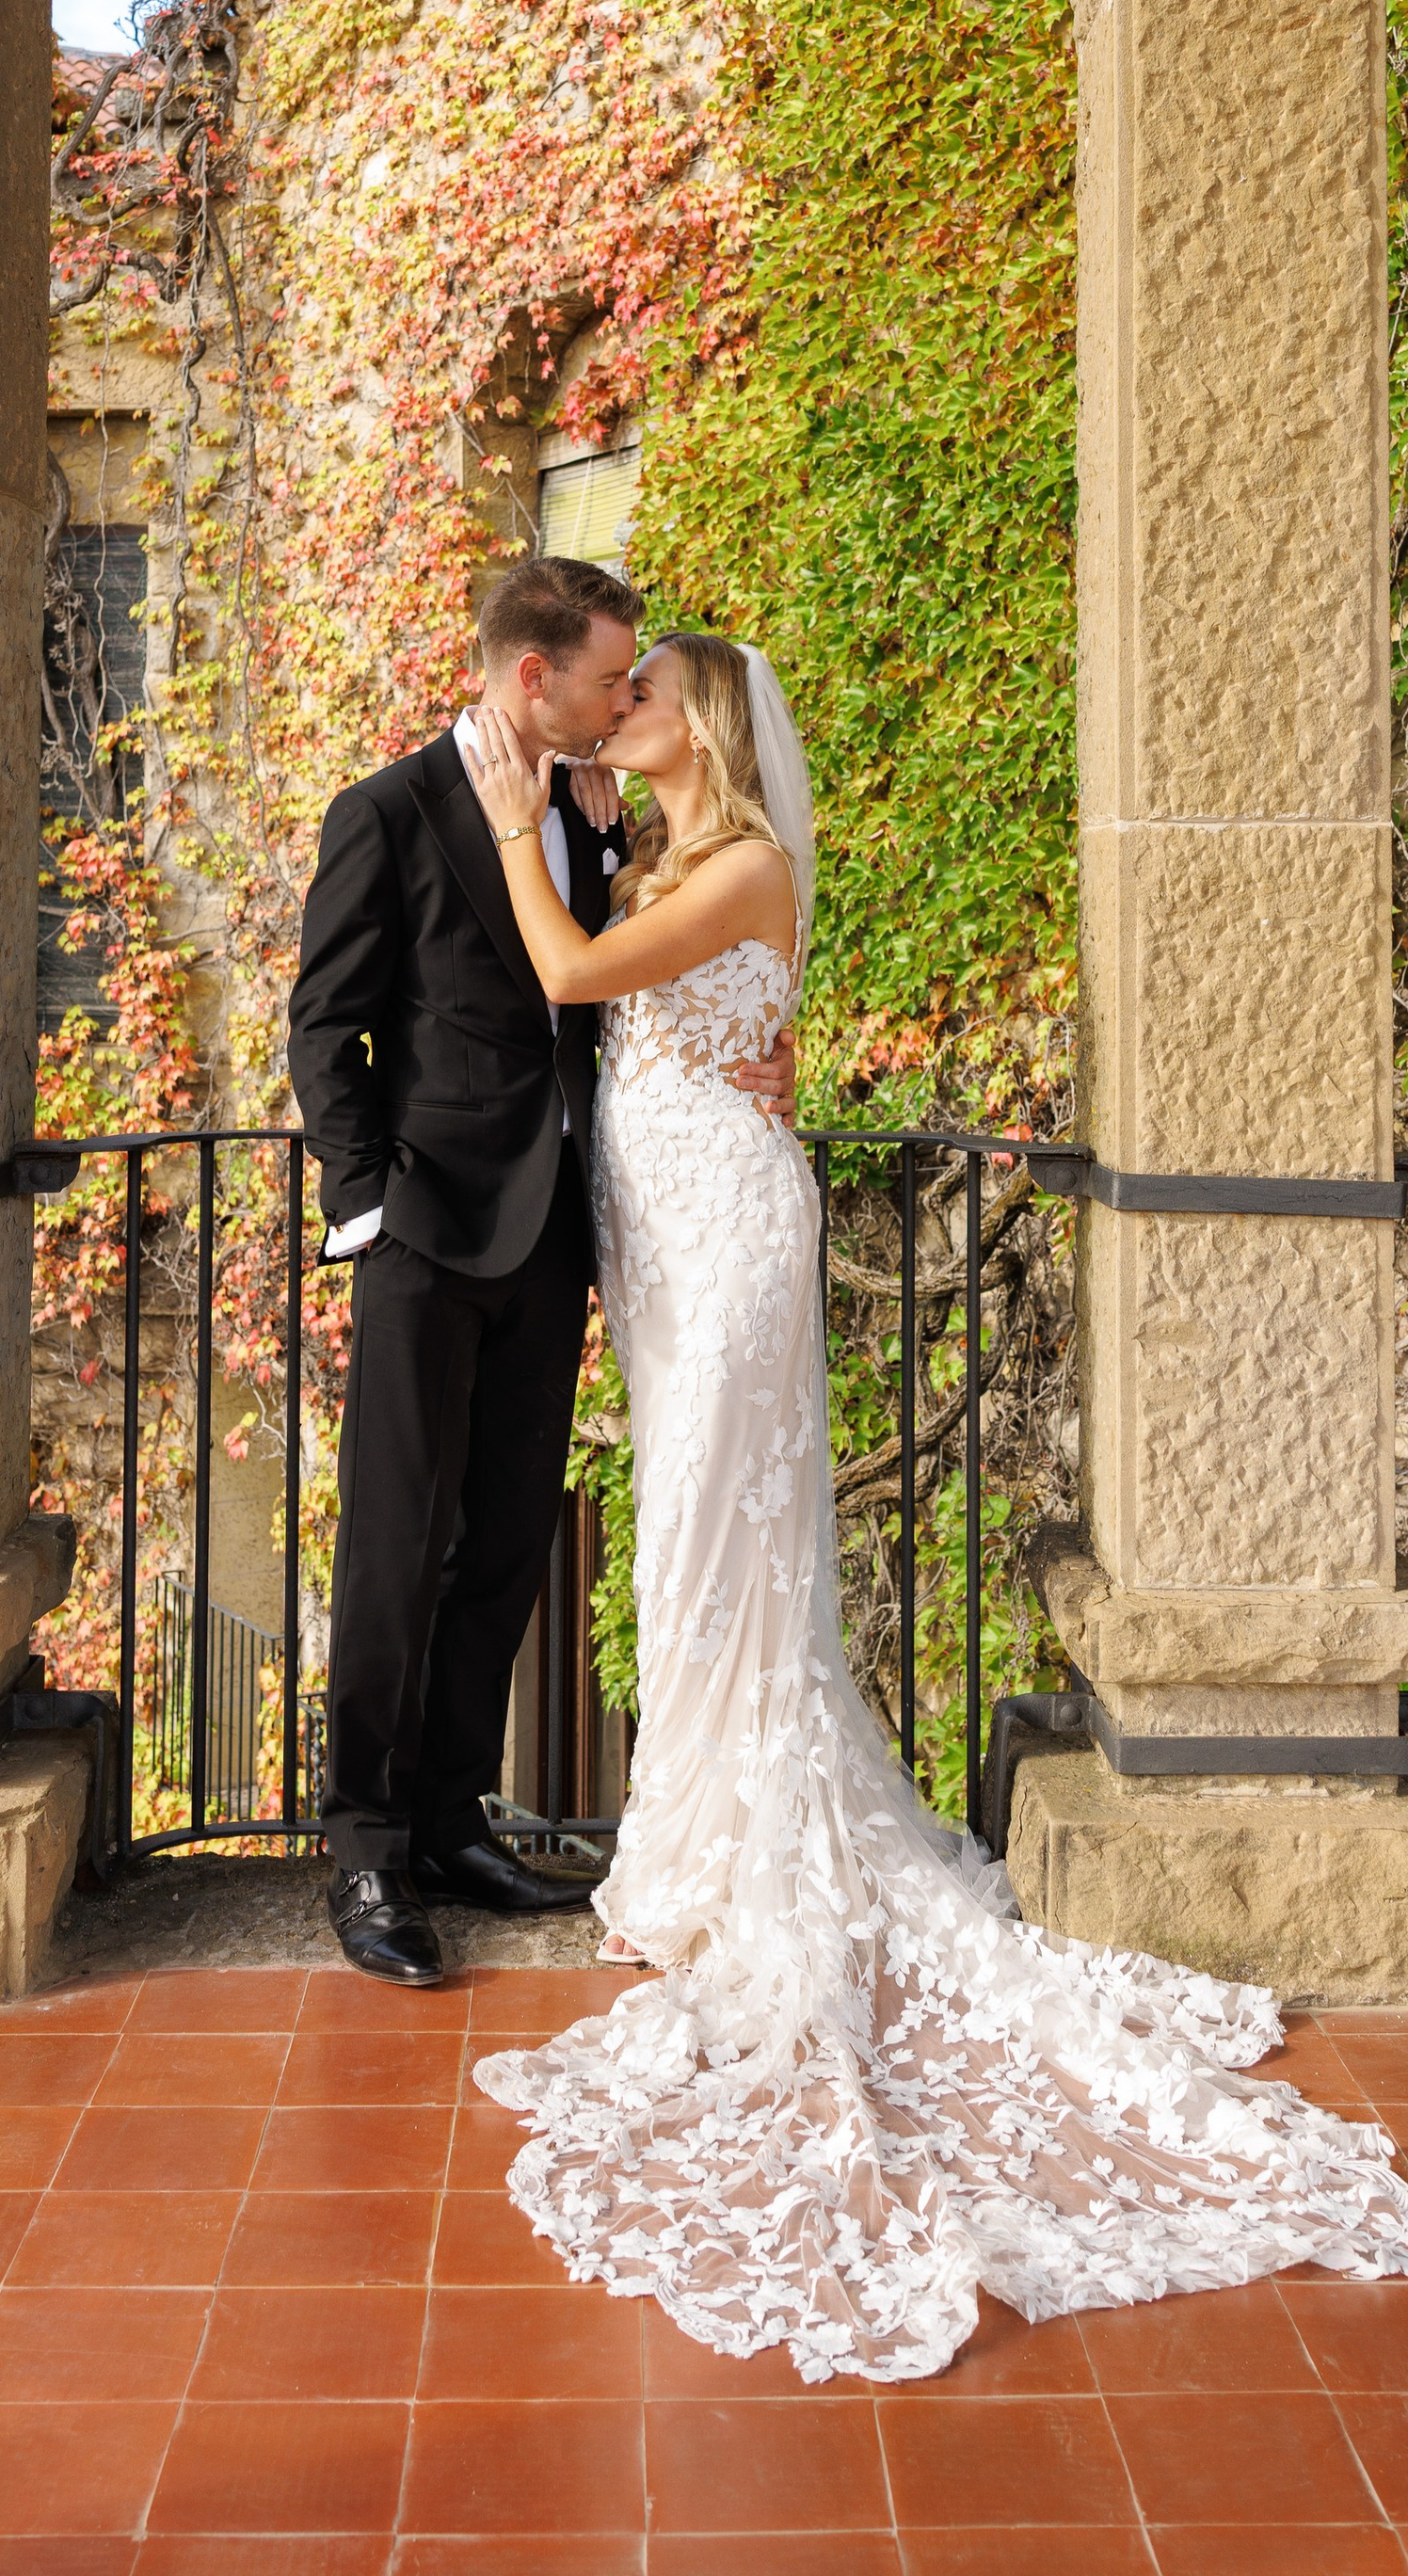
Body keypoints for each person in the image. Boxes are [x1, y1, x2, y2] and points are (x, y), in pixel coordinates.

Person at [465, 633, 1408, 2383]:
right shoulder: (661, 846)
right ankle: (691, 1833)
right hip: (664, 1238)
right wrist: (587, 827)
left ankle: (724, 1848)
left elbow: (578, 969)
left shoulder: (739, 863)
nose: (622, 706)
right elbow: (648, 995)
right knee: (695, 1535)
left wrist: (505, 819)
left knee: (714, 1532)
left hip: (729, 1238)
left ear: (710, 720)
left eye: (648, 690)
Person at [287, 557, 797, 1987]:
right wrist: (367, 1206)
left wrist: (767, 1057)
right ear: (536, 676)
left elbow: (643, 992)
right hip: (425, 1236)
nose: (620, 697)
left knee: (507, 1535)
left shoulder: (591, 814)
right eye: (608, 676)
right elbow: (326, 1028)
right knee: (395, 1541)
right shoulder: (391, 810)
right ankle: (368, 1849)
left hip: (566, 1233)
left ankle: (452, 1817)